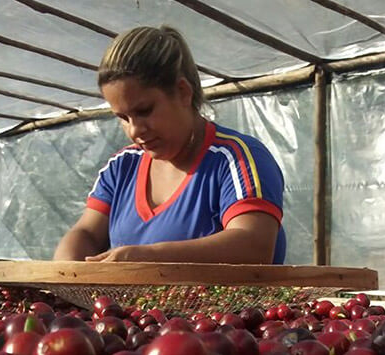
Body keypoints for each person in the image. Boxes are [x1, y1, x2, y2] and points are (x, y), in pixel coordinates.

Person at [53, 26, 287, 264]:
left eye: (144, 111)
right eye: (123, 118)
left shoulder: (236, 159)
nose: (134, 130)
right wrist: (67, 272)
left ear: (183, 92)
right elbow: (86, 233)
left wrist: (148, 259)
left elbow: (254, 246)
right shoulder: (122, 167)